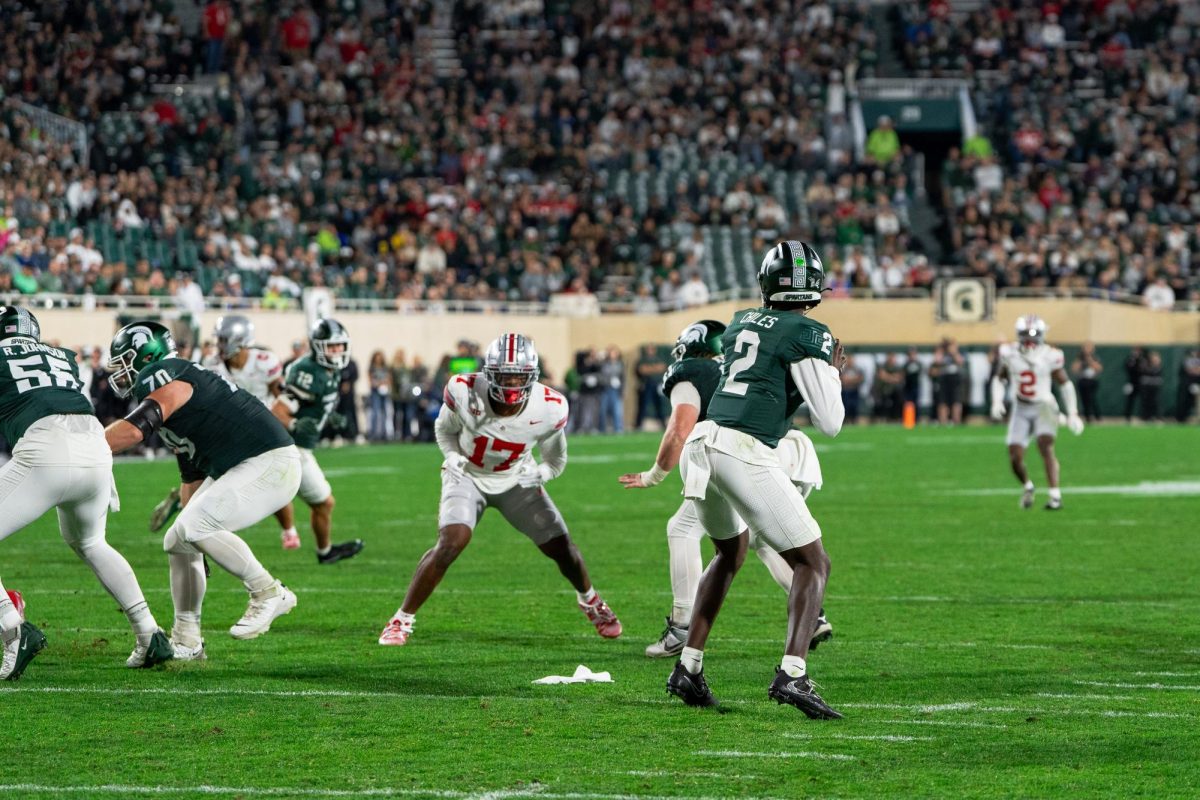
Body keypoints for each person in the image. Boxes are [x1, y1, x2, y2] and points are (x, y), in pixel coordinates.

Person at [663, 240, 845, 719]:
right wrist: (831, 371)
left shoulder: (743, 318)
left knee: (730, 552)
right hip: (742, 450)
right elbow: (830, 422)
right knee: (813, 562)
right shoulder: (809, 333)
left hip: (701, 445)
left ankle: (688, 666)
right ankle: (793, 674)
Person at [378, 333, 621, 646]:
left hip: (515, 479)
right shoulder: (463, 389)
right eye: (504, 376)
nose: (510, 385)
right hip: (468, 475)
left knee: (561, 546)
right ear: (488, 374)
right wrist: (451, 456)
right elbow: (444, 429)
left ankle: (590, 600)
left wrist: (543, 473)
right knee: (451, 542)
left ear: (532, 377)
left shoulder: (549, 406)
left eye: (518, 377)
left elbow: (556, 458)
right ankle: (401, 619)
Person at [618, 319, 833, 658]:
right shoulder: (739, 360)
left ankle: (682, 628)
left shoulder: (690, 371)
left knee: (684, 528)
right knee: (764, 540)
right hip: (791, 451)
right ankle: (814, 614)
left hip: (749, 456)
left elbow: (679, 429)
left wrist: (653, 476)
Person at [104, 320, 300, 661]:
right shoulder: (173, 387)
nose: (120, 373)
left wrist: (84, 446)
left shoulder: (164, 372)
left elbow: (135, 431)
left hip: (270, 460)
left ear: (146, 355)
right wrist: (198, 540)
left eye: (124, 362)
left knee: (195, 526)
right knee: (179, 537)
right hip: (245, 463)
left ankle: (268, 591)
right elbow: (191, 477)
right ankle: (187, 639)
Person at [0, 306, 172, 679]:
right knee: (92, 543)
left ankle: (12, 627)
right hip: (95, 446)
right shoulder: (60, 355)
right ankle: (150, 633)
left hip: (46, 448)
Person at [149, 315, 286, 536]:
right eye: (219, 339)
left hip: (257, 425)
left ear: (240, 339)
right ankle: (194, 519)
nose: (220, 345)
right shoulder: (211, 364)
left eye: (224, 339)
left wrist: (285, 419)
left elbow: (279, 394)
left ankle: (190, 513)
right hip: (227, 428)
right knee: (218, 480)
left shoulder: (264, 360)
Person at [270, 319, 365, 564]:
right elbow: (279, 410)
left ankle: (325, 551)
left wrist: (326, 416)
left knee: (292, 499)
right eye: (331, 347)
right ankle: (325, 552)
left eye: (339, 346)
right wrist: (293, 424)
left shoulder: (329, 371)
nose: (337, 352)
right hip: (291, 447)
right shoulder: (308, 371)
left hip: (296, 447)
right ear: (318, 347)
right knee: (323, 502)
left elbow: (313, 403)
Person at [990, 315, 1084, 511]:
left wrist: (1073, 413)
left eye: (1034, 335)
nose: (1029, 339)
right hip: (1021, 408)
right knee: (1015, 457)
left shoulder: (1051, 355)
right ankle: (1028, 486)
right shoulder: (1010, 353)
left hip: (1044, 406)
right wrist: (997, 400)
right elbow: (1000, 378)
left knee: (1045, 447)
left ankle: (1055, 496)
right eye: (1025, 335)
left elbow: (1064, 383)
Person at [634, 345, 669, 429]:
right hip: (646, 384)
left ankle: (663, 424)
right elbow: (642, 370)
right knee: (643, 405)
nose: (650, 351)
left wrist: (649, 369)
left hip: (657, 384)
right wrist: (654, 368)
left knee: (659, 405)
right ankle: (638, 425)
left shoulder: (658, 359)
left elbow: (662, 368)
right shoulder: (642, 360)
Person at [1071, 343, 1104, 423]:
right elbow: (1074, 369)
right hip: (1082, 380)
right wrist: (1081, 361)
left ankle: (1097, 416)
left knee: (1092, 399)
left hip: (1091, 380)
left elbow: (1099, 368)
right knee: (1084, 400)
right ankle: (1087, 417)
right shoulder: (1079, 358)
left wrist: (1089, 360)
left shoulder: (1095, 357)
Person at [598, 345, 625, 434]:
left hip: (616, 390)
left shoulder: (620, 364)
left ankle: (618, 428)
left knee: (617, 411)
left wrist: (623, 390)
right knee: (603, 410)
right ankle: (602, 429)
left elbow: (623, 378)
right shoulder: (604, 364)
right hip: (605, 389)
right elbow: (601, 376)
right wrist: (609, 381)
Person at [367, 350, 392, 441]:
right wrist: (377, 384)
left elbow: (389, 379)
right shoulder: (372, 368)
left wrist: (385, 383)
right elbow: (370, 380)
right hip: (375, 392)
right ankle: (373, 433)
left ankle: (384, 433)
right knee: (375, 412)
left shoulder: (385, 368)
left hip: (384, 392)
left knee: (385, 413)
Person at [873, 352, 905, 421]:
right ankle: (883, 418)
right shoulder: (883, 366)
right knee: (882, 401)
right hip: (884, 390)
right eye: (889, 357)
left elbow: (899, 378)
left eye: (892, 357)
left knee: (899, 399)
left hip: (894, 391)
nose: (891, 359)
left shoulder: (898, 367)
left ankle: (896, 418)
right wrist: (893, 377)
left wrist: (887, 376)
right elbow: (881, 376)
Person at [840, 353, 864, 424]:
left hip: (854, 391)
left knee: (854, 406)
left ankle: (854, 420)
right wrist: (852, 379)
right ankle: (845, 420)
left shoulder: (857, 369)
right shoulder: (842, 370)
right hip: (845, 391)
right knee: (845, 406)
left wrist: (849, 380)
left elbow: (860, 378)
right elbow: (841, 379)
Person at [1123, 347, 1145, 422]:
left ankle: (1143, 416)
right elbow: (1128, 368)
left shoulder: (1142, 359)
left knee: (1143, 400)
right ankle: (1127, 416)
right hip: (1131, 383)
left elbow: (1143, 369)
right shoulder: (1130, 359)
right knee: (1130, 401)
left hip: (1141, 383)